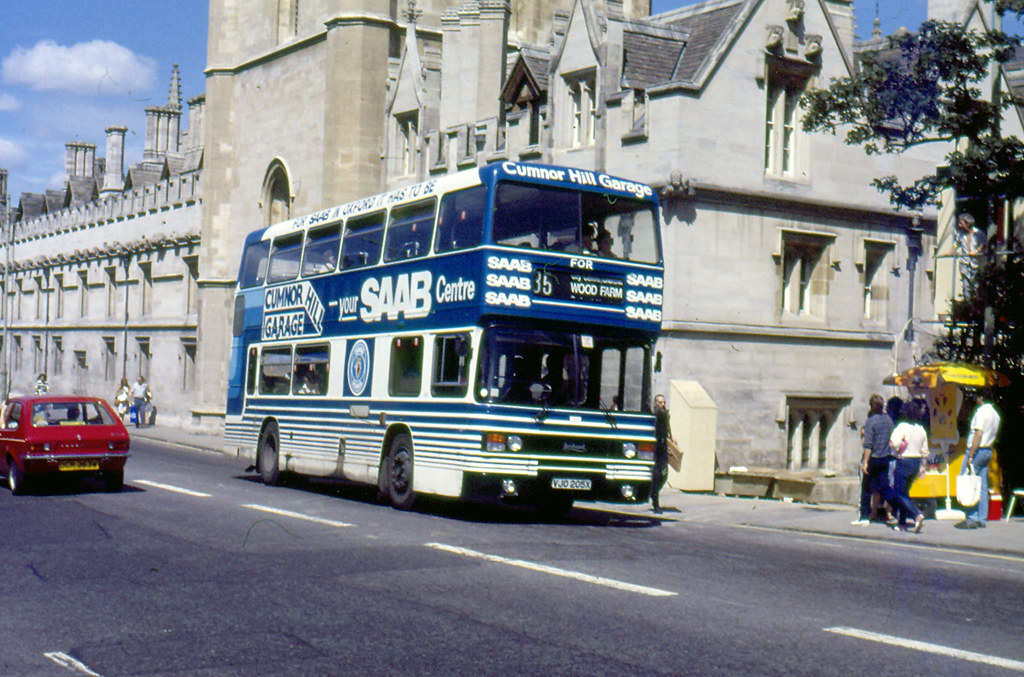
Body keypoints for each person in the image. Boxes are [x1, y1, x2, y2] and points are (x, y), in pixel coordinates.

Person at [956, 390, 1001, 529]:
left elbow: (978, 433)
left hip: (977, 449)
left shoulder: (981, 412)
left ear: (981, 397)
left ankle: (971, 516)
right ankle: (982, 517)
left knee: (969, 481)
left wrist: (971, 455)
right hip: (988, 449)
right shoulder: (995, 414)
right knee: (982, 483)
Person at [883, 400, 928, 533]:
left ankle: (916, 515)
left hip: (904, 460)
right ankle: (902, 522)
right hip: (916, 462)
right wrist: (923, 467)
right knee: (904, 493)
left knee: (897, 493)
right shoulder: (921, 429)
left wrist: (895, 447)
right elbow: (925, 450)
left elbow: (894, 443)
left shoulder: (902, 426)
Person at [853, 394, 894, 526]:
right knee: (885, 487)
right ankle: (897, 508)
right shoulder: (888, 420)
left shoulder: (871, 421)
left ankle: (864, 516)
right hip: (885, 458)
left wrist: (865, 462)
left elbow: (868, 445)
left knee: (866, 488)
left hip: (874, 458)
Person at [942, 212, 985, 294]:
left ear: (968, 224)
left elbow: (984, 245)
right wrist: (950, 251)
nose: (959, 225)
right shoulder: (960, 234)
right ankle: (967, 303)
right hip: (964, 263)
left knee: (976, 287)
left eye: (961, 223)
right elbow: (956, 244)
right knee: (966, 287)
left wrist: (976, 251)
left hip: (976, 264)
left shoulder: (979, 233)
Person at [651, 393, 674, 514]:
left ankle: (653, 492)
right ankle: (655, 502)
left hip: (663, 444)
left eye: (664, 402)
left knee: (664, 473)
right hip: (656, 446)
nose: (662, 405)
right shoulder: (656, 413)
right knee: (656, 475)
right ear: (655, 403)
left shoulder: (664, 414)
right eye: (660, 402)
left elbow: (667, 427)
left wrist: (671, 436)